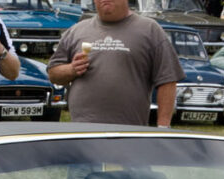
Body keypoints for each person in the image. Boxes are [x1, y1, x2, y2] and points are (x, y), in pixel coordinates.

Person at [48, 0, 184, 127]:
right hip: (83, 132)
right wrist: (71, 69)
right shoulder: (77, 31)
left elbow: (168, 80)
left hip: (129, 132)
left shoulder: (150, 30)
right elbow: (53, 73)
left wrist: (163, 128)